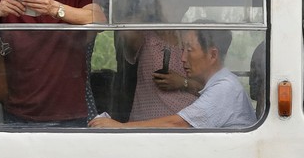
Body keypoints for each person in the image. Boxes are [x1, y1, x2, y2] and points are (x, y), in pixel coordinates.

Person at [89, 29, 255, 129]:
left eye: (189, 50)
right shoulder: (220, 84)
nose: (182, 58)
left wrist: (119, 127)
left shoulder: (225, 89)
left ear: (212, 54)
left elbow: (178, 124)